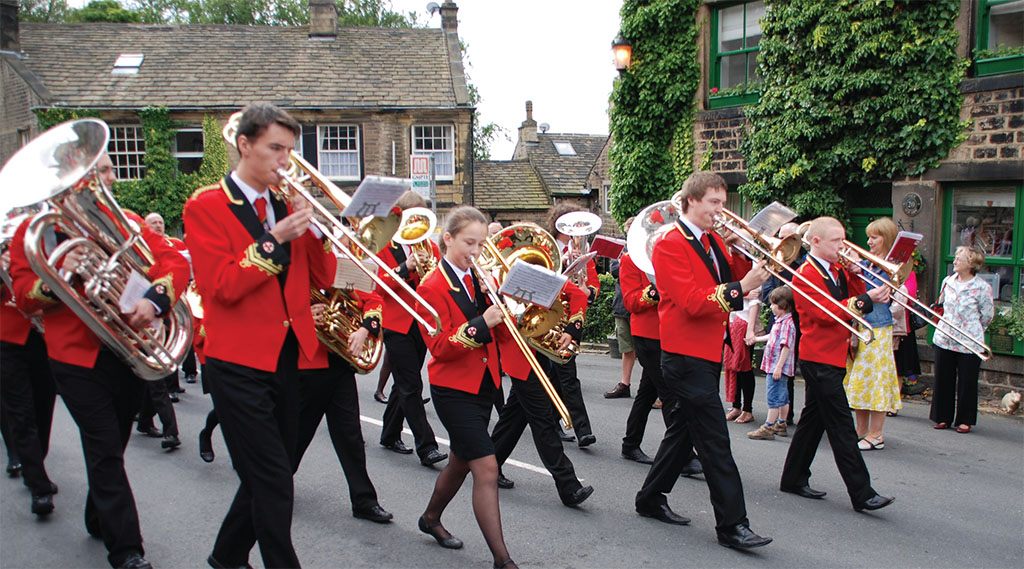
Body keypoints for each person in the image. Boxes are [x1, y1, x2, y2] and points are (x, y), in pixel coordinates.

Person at [10, 151, 190, 569]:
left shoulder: (127, 219)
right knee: (105, 446)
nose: (102, 178)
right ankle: (127, 549)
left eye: (106, 169)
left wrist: (155, 299)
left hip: (125, 348)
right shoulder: (37, 233)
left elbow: (173, 261)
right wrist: (57, 277)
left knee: (114, 445)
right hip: (75, 357)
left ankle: (100, 514)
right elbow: (22, 294)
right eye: (94, 171)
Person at [183, 103, 336, 569]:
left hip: (289, 356)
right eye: (275, 148)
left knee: (270, 472)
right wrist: (275, 239)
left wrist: (319, 233)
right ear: (244, 145)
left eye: (289, 150)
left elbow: (323, 278)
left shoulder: (287, 204)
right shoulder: (206, 204)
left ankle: (227, 555)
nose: (284, 160)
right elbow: (221, 287)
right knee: (272, 477)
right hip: (236, 359)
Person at [634, 171, 772, 549]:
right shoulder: (668, 243)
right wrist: (741, 286)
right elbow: (694, 301)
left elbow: (735, 281)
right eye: (714, 203)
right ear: (691, 201)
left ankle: (649, 498)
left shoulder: (712, 240)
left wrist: (749, 256)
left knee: (682, 432)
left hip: (709, 352)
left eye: (722, 203)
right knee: (714, 441)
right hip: (683, 356)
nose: (720, 211)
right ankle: (732, 525)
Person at [414, 206, 518, 569]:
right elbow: (440, 348)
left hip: (484, 385)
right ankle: (502, 559)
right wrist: (482, 323)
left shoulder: (480, 278)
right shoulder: (430, 286)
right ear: (448, 239)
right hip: (453, 389)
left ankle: (430, 518)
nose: (475, 251)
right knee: (486, 468)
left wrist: (508, 307)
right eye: (468, 243)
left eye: (480, 243)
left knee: (460, 462)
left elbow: (500, 332)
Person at [779, 216, 895, 513]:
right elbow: (824, 312)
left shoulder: (837, 269)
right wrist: (866, 298)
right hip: (818, 357)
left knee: (811, 422)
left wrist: (857, 275)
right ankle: (862, 492)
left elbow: (852, 298)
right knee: (842, 427)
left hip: (834, 354)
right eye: (835, 241)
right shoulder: (806, 272)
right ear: (815, 242)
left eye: (843, 240)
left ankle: (793, 477)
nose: (842, 246)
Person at [489, 259, 595, 506]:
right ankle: (568, 486)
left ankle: (489, 466)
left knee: (513, 417)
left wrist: (572, 329)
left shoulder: (536, 273)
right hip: (518, 355)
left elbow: (577, 294)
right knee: (543, 419)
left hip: (539, 352)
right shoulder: (493, 278)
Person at [295, 285, 392, 523]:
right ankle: (269, 484)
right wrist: (303, 318)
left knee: (350, 436)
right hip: (307, 364)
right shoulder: (298, 261)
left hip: (339, 364)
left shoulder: (344, 265)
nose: (345, 244)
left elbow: (374, 300)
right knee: (296, 435)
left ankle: (364, 501)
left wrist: (363, 330)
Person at [377, 191, 448, 467]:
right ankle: (427, 446)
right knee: (411, 385)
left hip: (421, 322)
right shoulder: (384, 245)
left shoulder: (430, 246)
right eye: (412, 217)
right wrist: (405, 267)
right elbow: (379, 283)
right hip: (396, 323)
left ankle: (389, 433)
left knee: (405, 381)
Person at [618, 247, 702, 475]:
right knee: (670, 394)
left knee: (646, 393)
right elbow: (631, 302)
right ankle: (684, 456)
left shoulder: (668, 256)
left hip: (669, 332)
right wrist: (654, 292)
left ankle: (630, 444)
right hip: (647, 334)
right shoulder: (630, 259)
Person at [1, 246, 57, 516]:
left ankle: (36, 462)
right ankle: (39, 487)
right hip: (7, 339)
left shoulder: (37, 244)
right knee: (21, 413)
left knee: (44, 406)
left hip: (43, 335)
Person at [843, 218, 902, 450]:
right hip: (863, 326)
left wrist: (860, 268)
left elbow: (879, 293)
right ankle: (861, 430)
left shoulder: (889, 266)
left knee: (877, 381)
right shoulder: (873, 264)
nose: (868, 242)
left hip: (878, 328)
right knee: (860, 381)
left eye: (874, 237)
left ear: (886, 239)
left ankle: (876, 434)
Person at [547, 203, 600, 447]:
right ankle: (583, 430)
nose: (576, 231)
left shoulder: (583, 249)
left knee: (557, 376)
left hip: (574, 318)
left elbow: (595, 285)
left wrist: (587, 290)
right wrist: (562, 264)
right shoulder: (548, 248)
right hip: (552, 318)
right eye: (571, 226)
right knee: (567, 375)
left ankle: (549, 421)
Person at [930, 246, 994, 434]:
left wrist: (973, 328)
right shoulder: (947, 281)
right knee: (943, 378)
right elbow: (941, 304)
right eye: (956, 257)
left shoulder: (982, 287)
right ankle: (942, 417)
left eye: (960, 258)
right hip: (945, 337)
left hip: (969, 340)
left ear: (971, 264)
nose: (955, 261)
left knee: (967, 382)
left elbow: (987, 315)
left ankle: (965, 420)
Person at [760, 221, 803, 424]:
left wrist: (788, 291)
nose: (781, 242)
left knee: (788, 373)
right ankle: (778, 418)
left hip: (795, 323)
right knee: (774, 376)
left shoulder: (802, 266)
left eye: (787, 238)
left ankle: (785, 417)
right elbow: (766, 293)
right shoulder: (774, 264)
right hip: (777, 322)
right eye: (780, 237)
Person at [144, 212, 190, 399]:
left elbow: (180, 264)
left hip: (168, 298)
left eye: (160, 222)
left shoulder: (174, 243)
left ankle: (172, 384)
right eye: (153, 222)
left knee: (171, 344)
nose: (158, 225)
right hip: (145, 300)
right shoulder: (142, 239)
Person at [747, 286, 796, 440]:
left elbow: (786, 346)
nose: (771, 307)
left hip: (777, 366)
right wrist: (756, 339)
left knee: (773, 397)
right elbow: (772, 337)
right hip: (775, 365)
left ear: (782, 305)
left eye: (774, 305)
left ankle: (768, 425)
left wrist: (779, 367)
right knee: (783, 396)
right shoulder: (781, 321)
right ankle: (781, 423)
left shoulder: (787, 324)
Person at [604, 236, 635, 399]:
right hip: (622, 304)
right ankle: (625, 384)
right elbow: (615, 270)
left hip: (641, 305)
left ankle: (657, 389)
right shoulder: (621, 250)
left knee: (648, 351)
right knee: (626, 347)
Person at [723, 289, 760, 423]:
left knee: (744, 367)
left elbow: (755, 300)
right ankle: (736, 406)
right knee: (732, 366)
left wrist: (750, 330)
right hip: (733, 322)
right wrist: (743, 294)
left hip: (744, 323)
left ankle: (747, 409)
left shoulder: (753, 269)